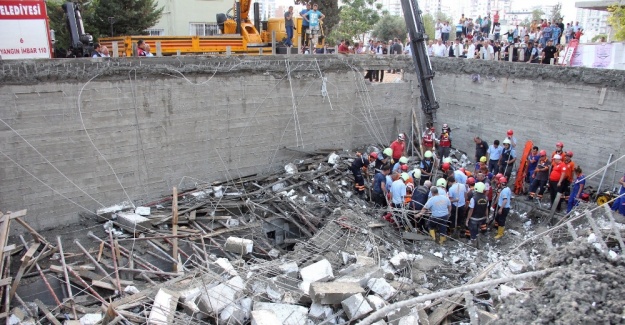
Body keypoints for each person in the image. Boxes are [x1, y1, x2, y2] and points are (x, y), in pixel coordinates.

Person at [466, 182, 488, 247]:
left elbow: (471, 210)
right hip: (482, 217)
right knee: (478, 229)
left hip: (474, 218)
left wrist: (467, 219)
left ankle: (474, 243)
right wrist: (487, 217)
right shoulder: (486, 198)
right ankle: (478, 241)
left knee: (473, 231)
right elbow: (486, 208)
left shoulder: (473, 198)